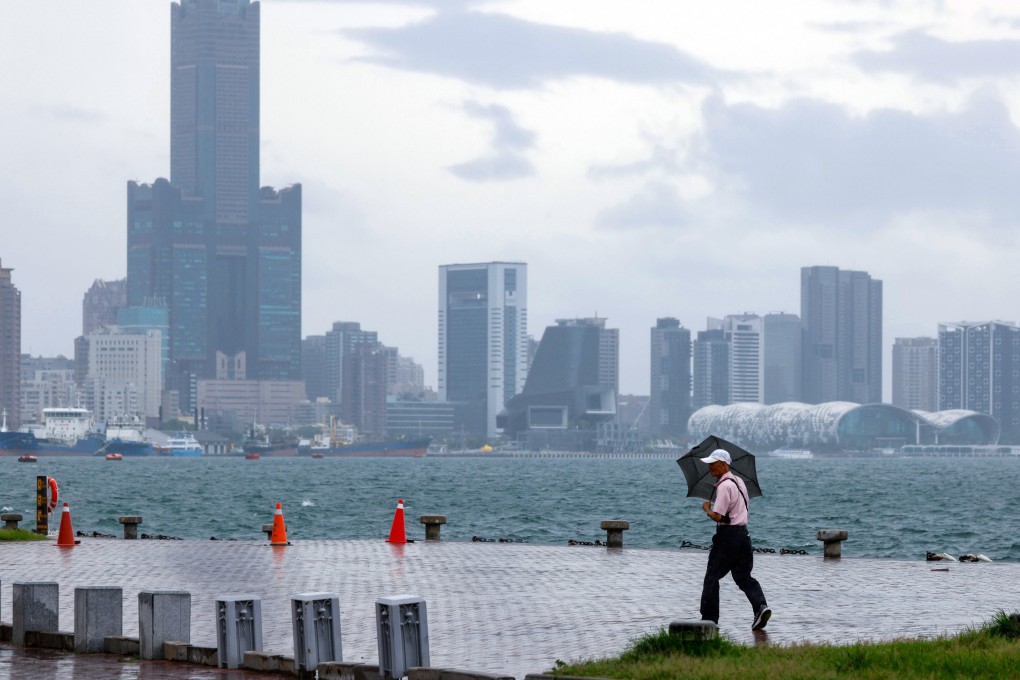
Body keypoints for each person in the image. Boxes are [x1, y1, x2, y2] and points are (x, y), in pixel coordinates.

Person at [698, 448, 772, 630]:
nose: (710, 468)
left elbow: (719, 517)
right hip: (743, 535)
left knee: (711, 577)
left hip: (728, 537)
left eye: (713, 464)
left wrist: (707, 509)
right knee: (743, 576)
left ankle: (709, 619)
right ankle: (760, 606)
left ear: (723, 465)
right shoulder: (739, 482)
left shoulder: (724, 486)